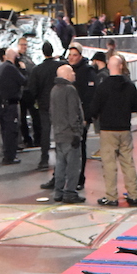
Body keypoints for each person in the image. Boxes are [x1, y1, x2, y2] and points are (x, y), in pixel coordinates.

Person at [90, 54, 137, 208]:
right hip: (125, 129)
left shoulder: (103, 86)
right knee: (128, 163)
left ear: (109, 66)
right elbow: (136, 107)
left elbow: (94, 109)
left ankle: (111, 196)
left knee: (109, 164)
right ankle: (133, 194)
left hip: (107, 130)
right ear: (121, 66)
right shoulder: (130, 85)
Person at [49, 64, 85, 204]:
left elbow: (52, 112)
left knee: (60, 165)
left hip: (58, 133)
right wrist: (77, 132)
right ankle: (70, 192)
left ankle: (58, 192)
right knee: (73, 166)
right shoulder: (70, 90)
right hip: (70, 135)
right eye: (71, 72)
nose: (74, 73)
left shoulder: (54, 90)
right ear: (66, 75)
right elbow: (73, 113)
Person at [66, 43, 96, 189]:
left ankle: (79, 178)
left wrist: (86, 117)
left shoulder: (87, 71)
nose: (71, 58)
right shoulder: (66, 69)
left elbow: (90, 95)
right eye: (70, 55)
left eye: (75, 55)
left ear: (80, 56)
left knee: (80, 147)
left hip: (81, 116)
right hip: (68, 116)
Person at [28, 41, 60, 171]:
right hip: (58, 103)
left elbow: (32, 89)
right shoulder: (60, 66)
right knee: (59, 130)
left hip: (44, 104)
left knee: (45, 132)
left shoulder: (37, 69)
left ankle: (44, 159)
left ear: (43, 52)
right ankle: (61, 157)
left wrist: (36, 99)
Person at [0, 46, 23, 164]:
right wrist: (23, 70)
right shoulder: (11, 68)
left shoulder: (0, 68)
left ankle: (7, 154)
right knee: (11, 130)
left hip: (0, 104)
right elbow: (23, 80)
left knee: (5, 130)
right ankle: (10, 156)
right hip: (9, 105)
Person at [16, 34, 39, 149]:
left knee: (35, 115)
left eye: (26, 45)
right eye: (22, 45)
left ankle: (37, 138)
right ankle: (27, 139)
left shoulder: (28, 58)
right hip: (22, 92)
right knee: (23, 117)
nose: (24, 47)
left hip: (30, 91)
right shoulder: (17, 59)